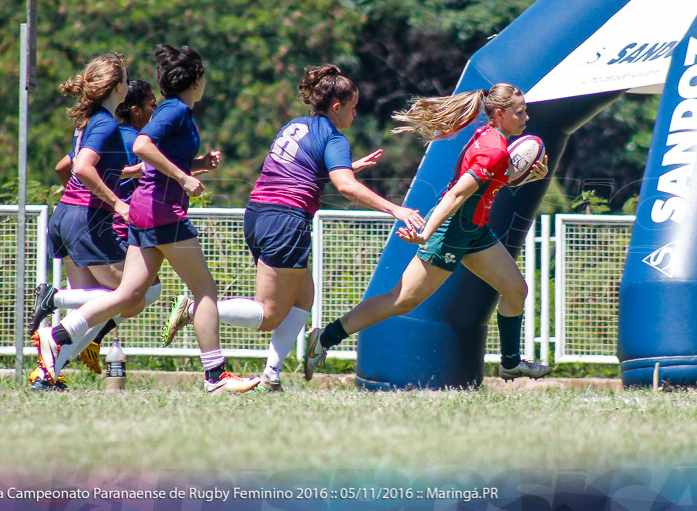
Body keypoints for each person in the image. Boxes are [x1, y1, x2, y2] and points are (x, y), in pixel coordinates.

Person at [160, 64, 424, 391]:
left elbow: (299, 169)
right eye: (353, 108)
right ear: (337, 107)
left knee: (304, 297)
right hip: (286, 220)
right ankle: (199, 308)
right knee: (270, 314)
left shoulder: (295, 125)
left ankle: (272, 374)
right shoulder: (334, 136)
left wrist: (343, 167)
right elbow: (346, 187)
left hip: (258, 214)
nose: (355, 115)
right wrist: (395, 209)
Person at [34, 44, 261, 395]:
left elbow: (152, 158)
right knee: (205, 291)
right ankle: (215, 376)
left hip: (145, 209)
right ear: (197, 81)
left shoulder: (171, 110)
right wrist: (184, 179)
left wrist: (193, 167)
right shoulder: (175, 111)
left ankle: (58, 335)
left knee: (131, 294)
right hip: (162, 212)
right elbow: (142, 147)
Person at [302, 83, 552, 382]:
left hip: (474, 229)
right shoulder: (494, 149)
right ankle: (325, 337)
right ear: (499, 114)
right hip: (452, 229)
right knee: (403, 299)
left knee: (516, 289)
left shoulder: (490, 137)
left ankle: (511, 363)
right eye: (520, 112)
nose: (526, 118)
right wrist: (425, 234)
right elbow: (457, 195)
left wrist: (517, 179)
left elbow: (480, 188)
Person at [29, 54, 149, 390]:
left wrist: (135, 172)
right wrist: (118, 204)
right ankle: (53, 301)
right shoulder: (107, 123)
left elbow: (80, 168)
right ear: (115, 87)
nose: (129, 84)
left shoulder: (89, 121)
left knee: (92, 300)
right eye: (125, 79)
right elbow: (83, 167)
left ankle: (47, 374)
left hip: (67, 215)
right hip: (88, 220)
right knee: (136, 293)